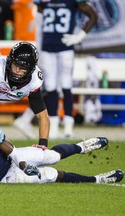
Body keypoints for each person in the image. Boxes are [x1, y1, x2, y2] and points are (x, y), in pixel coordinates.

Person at [0, 112, 124, 184]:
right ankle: (97, 180)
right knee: (52, 174)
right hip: (5, 178)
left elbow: (10, 150)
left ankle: (82, 146)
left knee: (49, 155)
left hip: (11, 160)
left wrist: (23, 164)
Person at [33, 0, 97, 138]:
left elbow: (93, 16)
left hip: (65, 47)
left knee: (66, 85)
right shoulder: (42, 2)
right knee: (50, 87)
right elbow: (39, 25)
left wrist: (80, 36)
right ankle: (54, 125)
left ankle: (68, 125)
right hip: (48, 47)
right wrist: (38, 48)